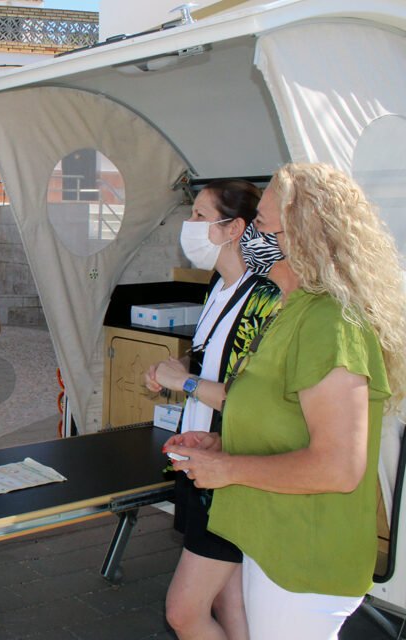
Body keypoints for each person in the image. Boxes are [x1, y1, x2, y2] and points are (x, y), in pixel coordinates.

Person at [167, 163, 406, 639]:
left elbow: (338, 467)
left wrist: (229, 469)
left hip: (305, 556)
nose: (250, 234)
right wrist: (223, 449)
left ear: (299, 237)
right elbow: (284, 419)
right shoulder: (289, 308)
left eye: (260, 225)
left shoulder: (332, 323)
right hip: (273, 538)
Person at [144, 179, 282, 640]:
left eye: (201, 217)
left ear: (235, 228)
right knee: (228, 598)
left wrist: (181, 381)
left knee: (183, 612)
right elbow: (208, 356)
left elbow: (245, 399)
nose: (190, 226)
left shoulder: (263, 297)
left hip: (229, 472)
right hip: (200, 462)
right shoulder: (219, 286)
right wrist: (177, 365)